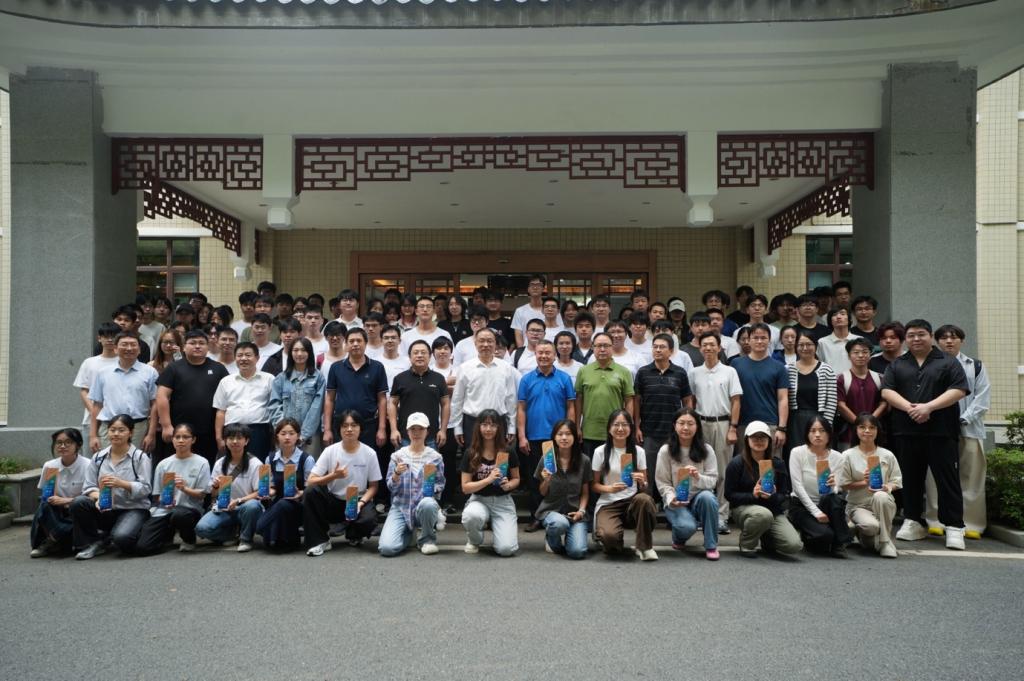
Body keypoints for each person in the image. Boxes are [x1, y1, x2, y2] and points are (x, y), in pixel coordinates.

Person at [882, 319, 969, 550]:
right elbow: (887, 391)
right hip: (906, 431)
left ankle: (954, 526)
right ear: (905, 339)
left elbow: (959, 390)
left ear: (930, 336)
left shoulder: (948, 362)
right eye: (911, 335)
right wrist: (911, 409)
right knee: (910, 478)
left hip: (941, 431)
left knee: (947, 479)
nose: (916, 339)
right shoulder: (898, 364)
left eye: (921, 334)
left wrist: (928, 407)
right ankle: (913, 520)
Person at [929, 324, 990, 539]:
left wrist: (964, 418)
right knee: (936, 476)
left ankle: (972, 522)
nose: (949, 341)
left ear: (962, 341)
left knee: (971, 476)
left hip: (969, 428)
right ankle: (935, 519)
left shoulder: (975, 366)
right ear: (936, 341)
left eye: (954, 337)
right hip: (938, 429)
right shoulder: (930, 365)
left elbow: (982, 398)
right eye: (944, 338)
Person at [70, 414, 152, 559]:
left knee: (122, 538)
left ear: (131, 433)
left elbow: (146, 488)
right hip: (106, 508)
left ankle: (118, 534)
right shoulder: (98, 457)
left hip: (133, 508)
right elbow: (88, 487)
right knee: (79, 502)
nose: (116, 434)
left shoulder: (140, 457)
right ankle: (91, 543)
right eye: (112, 430)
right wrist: (99, 497)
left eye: (121, 430)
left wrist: (122, 484)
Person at [516, 339, 576, 531]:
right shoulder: (526, 379)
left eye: (547, 352)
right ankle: (536, 516)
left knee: (558, 478)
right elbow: (521, 408)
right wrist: (521, 436)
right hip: (533, 437)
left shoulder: (564, 378)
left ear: (554, 355)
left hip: (559, 438)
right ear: (535, 355)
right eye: (540, 352)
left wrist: (571, 432)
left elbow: (571, 407)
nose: (543, 356)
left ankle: (558, 514)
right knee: (536, 479)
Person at [303, 410, 382, 555]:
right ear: (339, 429)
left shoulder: (369, 453)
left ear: (360, 428)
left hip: (357, 500)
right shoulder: (330, 451)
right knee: (311, 492)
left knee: (369, 520)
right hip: (334, 501)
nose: (349, 429)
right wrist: (333, 476)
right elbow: (311, 480)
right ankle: (321, 540)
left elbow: (373, 486)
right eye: (345, 426)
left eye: (354, 425)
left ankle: (354, 533)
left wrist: (361, 503)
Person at [688, 331, 742, 534]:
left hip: (723, 423)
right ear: (700, 348)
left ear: (719, 348)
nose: (708, 348)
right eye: (705, 345)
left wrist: (733, 428)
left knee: (722, 471)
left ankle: (721, 516)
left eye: (712, 344)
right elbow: (691, 401)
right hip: (700, 424)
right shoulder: (694, 372)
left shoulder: (729, 371)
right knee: (699, 470)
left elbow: (736, 401)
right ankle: (701, 514)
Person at [724, 421, 802, 557]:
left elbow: (785, 494)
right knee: (762, 515)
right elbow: (729, 495)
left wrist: (773, 495)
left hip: (773, 510)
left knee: (794, 545)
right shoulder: (737, 463)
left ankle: (767, 538)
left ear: (769, 441)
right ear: (747, 440)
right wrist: (753, 495)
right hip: (745, 508)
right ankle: (747, 544)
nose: (759, 441)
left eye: (763, 437)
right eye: (754, 437)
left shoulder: (778, 463)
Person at [155, 330, 230, 468]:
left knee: (206, 466)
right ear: (184, 347)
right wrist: (166, 425)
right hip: (179, 431)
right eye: (193, 343)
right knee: (176, 466)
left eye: (202, 343)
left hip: (209, 430)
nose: (197, 346)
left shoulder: (218, 368)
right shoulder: (174, 368)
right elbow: (162, 396)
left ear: (208, 347)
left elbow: (227, 399)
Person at [634, 332, 693, 505]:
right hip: (649, 431)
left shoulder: (680, 373)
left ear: (671, 351)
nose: (658, 350)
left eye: (662, 347)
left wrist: (688, 425)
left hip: (674, 432)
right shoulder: (643, 373)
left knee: (674, 470)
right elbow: (636, 401)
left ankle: (674, 505)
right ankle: (648, 507)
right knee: (649, 471)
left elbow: (687, 400)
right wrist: (636, 426)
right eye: (655, 347)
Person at [136, 422, 212, 555]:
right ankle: (167, 534)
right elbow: (157, 496)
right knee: (143, 547)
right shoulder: (163, 464)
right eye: (177, 437)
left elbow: (202, 494)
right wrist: (164, 500)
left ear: (193, 440)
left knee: (180, 515)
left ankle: (189, 539)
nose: (181, 440)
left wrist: (184, 488)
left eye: (185, 437)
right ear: (172, 439)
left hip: (189, 510)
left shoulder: (202, 462)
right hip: (165, 510)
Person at [591, 410, 657, 560]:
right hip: (608, 503)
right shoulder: (600, 452)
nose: (620, 429)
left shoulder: (639, 451)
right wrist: (610, 488)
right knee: (610, 540)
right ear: (609, 428)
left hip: (632, 502)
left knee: (644, 499)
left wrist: (642, 481)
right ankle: (613, 537)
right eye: (616, 425)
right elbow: (593, 485)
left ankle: (645, 546)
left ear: (631, 428)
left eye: (625, 425)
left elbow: (645, 486)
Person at [656, 408, 720, 560]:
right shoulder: (665, 451)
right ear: (674, 425)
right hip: (676, 500)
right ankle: (679, 536)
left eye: (690, 424)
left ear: (697, 426)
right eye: (681, 423)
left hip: (699, 498)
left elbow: (713, 481)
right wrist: (672, 498)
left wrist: (698, 477)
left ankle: (711, 545)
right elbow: (662, 482)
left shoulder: (707, 450)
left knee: (709, 498)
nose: (686, 428)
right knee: (687, 527)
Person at [378, 413, 446, 556]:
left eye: (420, 429)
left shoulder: (435, 457)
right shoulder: (397, 456)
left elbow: (440, 483)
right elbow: (390, 487)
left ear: (427, 431)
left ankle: (427, 539)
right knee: (387, 548)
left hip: (423, 507)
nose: (416, 433)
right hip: (401, 507)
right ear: (407, 432)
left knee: (428, 503)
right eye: (413, 429)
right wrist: (396, 474)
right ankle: (409, 535)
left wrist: (431, 490)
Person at [836, 414, 902, 558]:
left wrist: (887, 487)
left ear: (878, 431)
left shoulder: (887, 455)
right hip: (858, 506)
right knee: (871, 529)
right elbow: (843, 485)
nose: (867, 431)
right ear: (856, 430)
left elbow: (897, 481)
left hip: (883, 504)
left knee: (881, 496)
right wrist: (864, 482)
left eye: (872, 427)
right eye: (862, 427)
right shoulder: (847, 455)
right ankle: (858, 528)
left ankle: (885, 542)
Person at [786, 415, 850, 557]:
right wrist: (816, 512)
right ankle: (813, 535)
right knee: (825, 535)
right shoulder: (797, 453)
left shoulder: (838, 457)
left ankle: (838, 544)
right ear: (807, 434)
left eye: (822, 431)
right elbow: (797, 487)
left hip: (826, 503)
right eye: (813, 431)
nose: (817, 435)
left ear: (829, 434)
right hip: (802, 505)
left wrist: (833, 485)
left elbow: (836, 489)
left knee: (834, 499)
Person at [195, 423, 265, 552]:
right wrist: (216, 486)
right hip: (224, 508)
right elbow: (213, 494)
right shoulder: (220, 463)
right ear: (225, 441)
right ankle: (231, 535)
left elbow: (260, 492)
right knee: (201, 529)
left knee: (253, 506)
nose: (235, 441)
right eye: (231, 438)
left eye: (239, 438)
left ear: (246, 441)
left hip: (245, 507)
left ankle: (246, 539)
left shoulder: (255, 463)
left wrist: (238, 501)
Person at [460, 409, 520, 556]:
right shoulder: (471, 453)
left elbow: (516, 479)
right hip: (479, 500)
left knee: (506, 549)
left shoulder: (508, 451)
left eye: (493, 425)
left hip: (503, 502)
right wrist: (488, 479)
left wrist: (508, 485)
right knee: (471, 515)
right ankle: (475, 539)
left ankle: (498, 526)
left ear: (499, 428)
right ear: (478, 427)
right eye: (485, 425)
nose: (488, 429)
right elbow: (465, 487)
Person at [450, 327, 519, 452]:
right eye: (482, 341)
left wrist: (512, 426)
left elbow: (511, 399)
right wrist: (458, 427)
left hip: (499, 422)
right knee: (472, 459)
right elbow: (457, 400)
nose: (486, 344)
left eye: (490, 341)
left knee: (500, 459)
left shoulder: (506, 368)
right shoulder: (465, 368)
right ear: (475, 343)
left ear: (495, 344)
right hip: (472, 423)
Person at [88, 331, 158, 453]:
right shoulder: (103, 373)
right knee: (108, 461)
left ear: (139, 349)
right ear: (115, 348)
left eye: (133, 345)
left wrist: (151, 434)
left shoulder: (150, 372)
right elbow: (97, 405)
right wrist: (93, 435)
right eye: (124, 344)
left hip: (138, 428)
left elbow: (155, 404)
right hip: (109, 427)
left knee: (135, 462)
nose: (129, 348)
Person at [323, 327, 388, 449]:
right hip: (342, 425)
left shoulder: (377, 367)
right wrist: (327, 429)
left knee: (367, 458)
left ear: (366, 343)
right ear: (346, 344)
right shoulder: (336, 368)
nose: (355, 344)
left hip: (368, 425)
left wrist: (382, 428)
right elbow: (330, 399)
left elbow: (382, 399)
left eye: (359, 340)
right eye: (351, 341)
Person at [30, 429, 91, 558]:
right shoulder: (51, 466)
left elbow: (92, 497)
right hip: (57, 511)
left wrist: (68, 501)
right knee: (44, 503)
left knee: (79, 505)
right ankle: (57, 537)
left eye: (68, 442)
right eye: (59, 443)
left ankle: (53, 538)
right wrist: (54, 499)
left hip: (79, 510)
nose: (63, 446)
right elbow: (47, 493)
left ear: (78, 445)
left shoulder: (88, 465)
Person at [255, 418, 314, 552]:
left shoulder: (306, 459)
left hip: (299, 505)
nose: (287, 437)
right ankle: (286, 538)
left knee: (282, 505)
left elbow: (311, 488)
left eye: (291, 433)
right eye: (283, 433)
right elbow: (272, 487)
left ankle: (261, 526)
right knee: (271, 544)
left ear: (298, 436)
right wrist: (268, 493)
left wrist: (300, 493)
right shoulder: (270, 459)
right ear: (277, 436)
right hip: (277, 505)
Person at [731, 323, 789, 457]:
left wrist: (781, 428)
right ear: (749, 340)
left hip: (770, 424)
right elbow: (733, 398)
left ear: (769, 340)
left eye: (763, 338)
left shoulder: (779, 367)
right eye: (755, 337)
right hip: (742, 424)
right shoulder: (736, 364)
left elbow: (783, 399)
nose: (759, 341)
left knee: (769, 465)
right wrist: (732, 426)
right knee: (744, 464)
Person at [535, 419, 590, 559]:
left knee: (577, 552)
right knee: (559, 523)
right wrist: (546, 480)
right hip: (551, 511)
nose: (564, 438)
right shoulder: (546, 459)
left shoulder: (584, 460)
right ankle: (551, 538)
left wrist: (581, 511)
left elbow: (585, 493)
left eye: (568, 434)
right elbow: (542, 492)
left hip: (575, 512)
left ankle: (570, 534)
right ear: (554, 437)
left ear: (575, 437)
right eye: (560, 434)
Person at [213, 342, 275, 461]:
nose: (243, 359)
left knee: (259, 465)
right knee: (233, 466)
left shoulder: (269, 379)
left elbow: (275, 407)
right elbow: (220, 411)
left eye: (248, 355)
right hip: (232, 431)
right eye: (240, 355)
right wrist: (219, 438)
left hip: (259, 432)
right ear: (235, 358)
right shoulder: (226, 381)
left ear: (257, 358)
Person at [575, 332, 635, 454]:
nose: (602, 349)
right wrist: (577, 427)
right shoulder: (583, 371)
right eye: (598, 346)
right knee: (591, 465)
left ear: (612, 347)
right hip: (589, 431)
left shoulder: (624, 372)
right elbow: (579, 400)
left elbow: (629, 401)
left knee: (615, 465)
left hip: (616, 431)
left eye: (606, 345)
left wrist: (628, 426)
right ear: (593, 348)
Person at [268, 337, 326, 456]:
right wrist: (286, 431)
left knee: (309, 466)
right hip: (285, 436)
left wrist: (303, 435)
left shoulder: (318, 378)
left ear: (309, 353)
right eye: (295, 350)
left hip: (310, 436)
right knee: (285, 465)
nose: (299, 354)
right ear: (290, 353)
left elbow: (317, 408)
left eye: (303, 350)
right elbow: (274, 406)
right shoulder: (281, 378)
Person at [389, 340, 450, 451]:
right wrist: (393, 430)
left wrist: (443, 430)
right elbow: (392, 403)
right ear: (409, 356)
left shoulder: (439, 378)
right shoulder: (400, 378)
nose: (420, 355)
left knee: (431, 463)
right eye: (416, 352)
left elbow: (445, 404)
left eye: (423, 352)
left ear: (430, 356)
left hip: (432, 437)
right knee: (403, 463)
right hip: (405, 436)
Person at [784, 332, 837, 460]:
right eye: (801, 345)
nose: (805, 348)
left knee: (819, 457)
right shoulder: (787, 369)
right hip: (795, 421)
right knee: (797, 456)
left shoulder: (826, 369)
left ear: (816, 346)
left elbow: (832, 401)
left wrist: (826, 426)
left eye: (809, 344)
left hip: (819, 419)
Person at [835, 338, 886, 450]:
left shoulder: (880, 378)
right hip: (848, 435)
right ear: (849, 356)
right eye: (856, 352)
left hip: (874, 434)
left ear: (870, 354)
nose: (861, 355)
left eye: (865, 352)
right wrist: (860, 424)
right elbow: (840, 405)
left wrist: (869, 423)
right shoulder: (841, 379)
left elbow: (883, 403)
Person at [73, 322, 120, 441]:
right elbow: (84, 390)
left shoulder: (124, 362)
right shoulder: (89, 362)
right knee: (92, 451)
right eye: (106, 336)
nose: (110, 340)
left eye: (113, 336)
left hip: (119, 419)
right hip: (91, 419)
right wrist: (95, 413)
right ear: (99, 338)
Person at [512, 274, 562, 348]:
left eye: (538, 285)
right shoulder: (520, 311)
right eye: (532, 285)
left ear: (543, 288)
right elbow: (519, 335)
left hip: (548, 350)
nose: (535, 287)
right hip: (527, 351)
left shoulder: (551, 310)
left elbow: (559, 330)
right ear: (528, 289)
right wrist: (522, 352)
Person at [816, 308, 861, 375]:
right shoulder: (822, 342)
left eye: (842, 314)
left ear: (850, 319)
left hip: (855, 379)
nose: (838, 317)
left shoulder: (859, 340)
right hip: (830, 380)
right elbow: (820, 365)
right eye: (834, 315)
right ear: (830, 321)